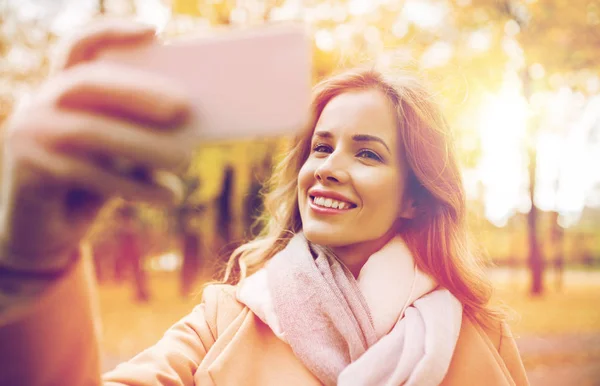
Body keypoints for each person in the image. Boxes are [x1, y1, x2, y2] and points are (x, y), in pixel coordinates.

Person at [0, 20, 529, 386]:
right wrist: (33, 262)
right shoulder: (224, 318)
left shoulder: (480, 333)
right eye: (321, 147)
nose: (327, 167)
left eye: (366, 154)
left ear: (414, 198)